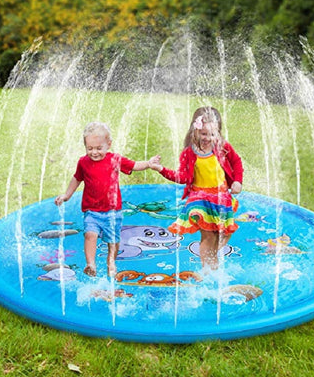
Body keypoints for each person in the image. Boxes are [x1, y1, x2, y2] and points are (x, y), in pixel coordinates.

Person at [55, 121, 158, 278]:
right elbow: (77, 179)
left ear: (108, 144)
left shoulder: (115, 159)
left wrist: (148, 164)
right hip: (92, 211)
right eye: (90, 148)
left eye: (98, 148)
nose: (94, 152)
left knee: (113, 241)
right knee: (90, 235)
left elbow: (134, 165)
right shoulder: (83, 162)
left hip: (112, 212)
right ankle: (91, 264)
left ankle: (111, 261)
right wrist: (66, 195)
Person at [150, 106, 243, 271]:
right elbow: (183, 178)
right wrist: (161, 170)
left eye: (212, 134)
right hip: (200, 199)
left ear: (218, 133)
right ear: (195, 131)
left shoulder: (222, 146)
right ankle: (208, 271)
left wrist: (237, 181)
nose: (208, 138)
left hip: (221, 197)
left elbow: (236, 162)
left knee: (224, 232)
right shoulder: (189, 153)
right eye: (203, 134)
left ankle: (210, 257)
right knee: (208, 235)